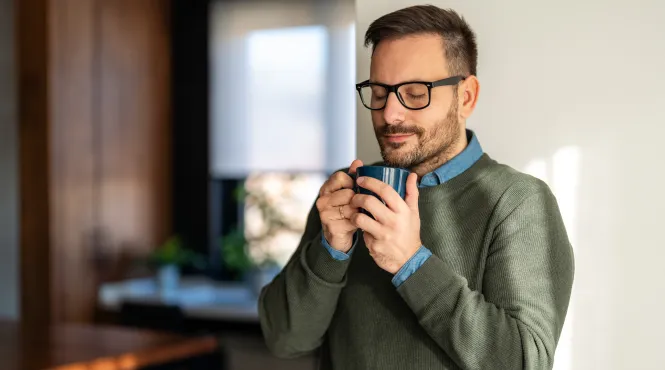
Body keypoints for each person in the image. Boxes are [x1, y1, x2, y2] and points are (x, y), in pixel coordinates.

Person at [258, 5, 574, 370]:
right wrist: (330, 251)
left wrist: (410, 263)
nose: (390, 114)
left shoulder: (517, 202)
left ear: (466, 96)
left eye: (414, 91)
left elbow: (525, 363)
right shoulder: (347, 194)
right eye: (379, 93)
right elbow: (283, 340)